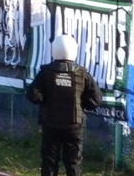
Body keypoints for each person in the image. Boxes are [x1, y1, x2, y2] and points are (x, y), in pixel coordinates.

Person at [26, 34, 102, 176]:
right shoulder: (82, 73)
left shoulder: (46, 72)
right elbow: (96, 98)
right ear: (74, 51)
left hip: (50, 123)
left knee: (49, 161)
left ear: (54, 50)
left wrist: (46, 101)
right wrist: (81, 105)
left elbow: (32, 93)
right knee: (73, 163)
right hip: (74, 125)